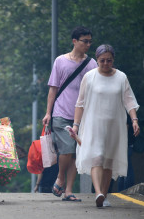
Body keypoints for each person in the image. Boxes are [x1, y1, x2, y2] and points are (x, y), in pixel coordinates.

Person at [71, 44, 140, 207]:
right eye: (102, 60)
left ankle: (104, 194)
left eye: (109, 60)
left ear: (113, 60)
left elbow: (129, 100)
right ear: (97, 60)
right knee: (98, 157)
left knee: (108, 160)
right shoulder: (89, 77)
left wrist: (135, 120)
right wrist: (75, 126)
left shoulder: (121, 77)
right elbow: (79, 103)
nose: (106, 63)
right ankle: (98, 192)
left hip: (115, 125)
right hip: (94, 124)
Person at [42, 26, 97, 201]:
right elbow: (53, 89)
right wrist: (48, 113)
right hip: (61, 112)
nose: (88, 45)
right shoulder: (60, 61)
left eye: (90, 42)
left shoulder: (92, 64)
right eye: (84, 41)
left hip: (81, 116)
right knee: (66, 150)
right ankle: (60, 177)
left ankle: (69, 191)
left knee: (74, 153)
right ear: (74, 41)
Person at [117, 115, 136, 192]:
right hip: (126, 143)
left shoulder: (125, 111)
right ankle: (123, 191)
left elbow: (126, 126)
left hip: (126, 143)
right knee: (123, 168)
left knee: (126, 167)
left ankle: (126, 190)